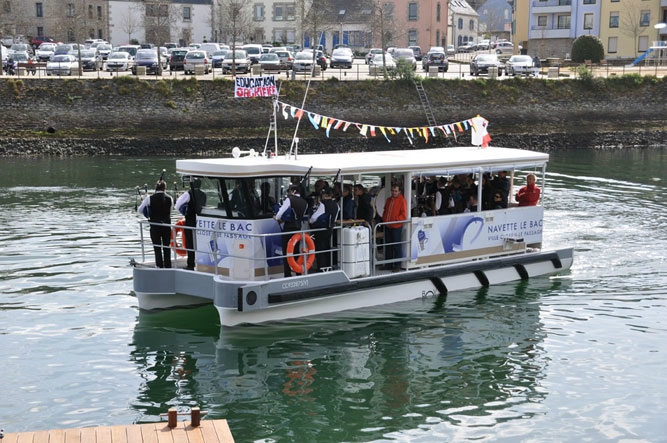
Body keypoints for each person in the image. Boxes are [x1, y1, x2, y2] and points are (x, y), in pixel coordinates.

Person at [274, 184, 309, 277]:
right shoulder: (305, 203)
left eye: (290, 191)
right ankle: (298, 273)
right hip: (298, 228)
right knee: (296, 251)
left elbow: (279, 214)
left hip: (288, 227)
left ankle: (287, 275)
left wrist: (277, 218)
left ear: (293, 191)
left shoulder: (289, 199)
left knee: (287, 251)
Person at [138, 180, 174, 268]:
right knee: (166, 247)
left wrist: (148, 212)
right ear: (165, 188)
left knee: (157, 247)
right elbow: (171, 210)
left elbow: (140, 209)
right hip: (166, 225)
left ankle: (159, 265)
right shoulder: (170, 198)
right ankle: (168, 266)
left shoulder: (150, 198)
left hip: (155, 226)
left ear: (155, 188)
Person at [175, 177, 207, 270]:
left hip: (190, 220)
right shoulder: (203, 195)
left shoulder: (188, 194)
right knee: (199, 242)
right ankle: (200, 262)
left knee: (190, 243)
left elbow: (177, 205)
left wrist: (184, 211)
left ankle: (190, 264)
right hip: (200, 221)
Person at [309, 187, 340, 271]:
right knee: (327, 249)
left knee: (320, 250)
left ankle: (321, 269)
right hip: (330, 229)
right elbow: (335, 216)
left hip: (320, 230)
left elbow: (313, 219)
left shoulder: (323, 205)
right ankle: (327, 268)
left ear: (325, 195)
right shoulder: (336, 205)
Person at [381, 185, 407, 271]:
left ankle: (397, 265)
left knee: (396, 246)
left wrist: (396, 220)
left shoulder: (402, 200)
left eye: (395, 191)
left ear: (399, 191)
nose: (394, 192)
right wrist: (385, 220)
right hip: (388, 225)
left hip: (396, 226)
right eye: (393, 191)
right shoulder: (388, 200)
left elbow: (403, 214)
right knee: (388, 245)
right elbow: (385, 211)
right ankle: (388, 264)